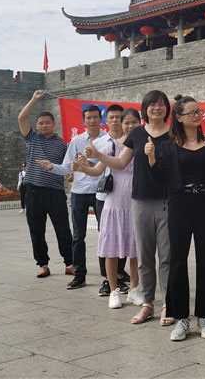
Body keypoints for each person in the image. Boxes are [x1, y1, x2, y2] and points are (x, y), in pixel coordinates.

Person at [87, 90, 173, 326]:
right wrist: (98, 156)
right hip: (140, 200)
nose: (157, 108)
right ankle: (147, 303)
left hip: (167, 200)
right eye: (152, 104)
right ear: (145, 109)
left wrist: (156, 159)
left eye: (161, 104)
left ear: (167, 108)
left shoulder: (174, 133)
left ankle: (168, 304)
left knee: (166, 256)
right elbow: (120, 162)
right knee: (144, 256)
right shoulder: (137, 134)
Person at [149, 96, 205, 341]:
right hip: (180, 206)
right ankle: (180, 317)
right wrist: (151, 158)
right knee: (177, 263)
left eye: (198, 111)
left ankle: (204, 317)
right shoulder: (168, 147)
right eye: (191, 112)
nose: (197, 115)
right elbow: (159, 180)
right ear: (179, 118)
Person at [75, 108, 141, 309]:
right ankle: (113, 291)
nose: (130, 126)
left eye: (134, 123)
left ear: (140, 124)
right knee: (111, 248)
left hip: (136, 201)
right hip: (113, 202)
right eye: (126, 123)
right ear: (120, 125)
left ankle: (134, 290)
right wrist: (82, 167)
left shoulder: (144, 146)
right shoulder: (112, 146)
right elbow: (97, 171)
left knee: (136, 250)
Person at [39, 104, 106, 290]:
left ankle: (107, 276)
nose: (92, 120)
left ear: (100, 119)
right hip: (80, 192)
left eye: (95, 117)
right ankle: (80, 274)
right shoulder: (76, 141)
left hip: (101, 192)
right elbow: (67, 166)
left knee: (105, 234)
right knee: (78, 236)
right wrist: (52, 166)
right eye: (88, 118)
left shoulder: (107, 140)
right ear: (83, 121)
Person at [17, 89, 74, 279]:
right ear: (37, 126)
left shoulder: (63, 143)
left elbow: (68, 165)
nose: (44, 125)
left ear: (54, 124)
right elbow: (21, 118)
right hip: (33, 191)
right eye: (40, 123)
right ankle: (42, 264)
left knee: (63, 229)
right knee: (36, 230)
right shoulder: (32, 139)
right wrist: (34, 99)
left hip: (56, 192)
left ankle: (69, 263)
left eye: (47, 122)